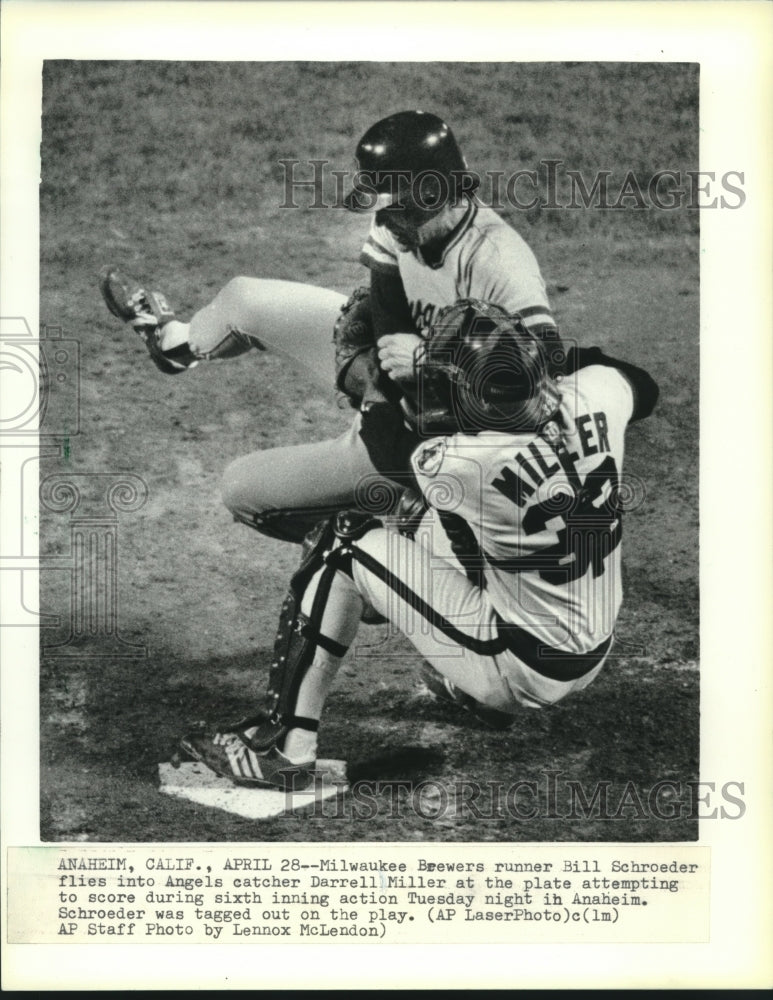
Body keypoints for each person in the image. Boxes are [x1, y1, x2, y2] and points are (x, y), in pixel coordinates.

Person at [180, 299, 659, 791]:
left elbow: (385, 440)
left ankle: (282, 748)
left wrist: (372, 378)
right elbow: (638, 381)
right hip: (591, 642)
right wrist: (520, 360)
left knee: (346, 543)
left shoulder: (463, 462)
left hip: (520, 667)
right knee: (418, 521)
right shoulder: (597, 395)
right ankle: (470, 693)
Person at [99, 110, 561, 544]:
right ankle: (171, 343)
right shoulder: (400, 225)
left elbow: (539, 387)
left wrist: (426, 371)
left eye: (395, 207)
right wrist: (377, 380)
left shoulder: (500, 262)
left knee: (242, 489)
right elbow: (386, 325)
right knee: (244, 299)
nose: (382, 219)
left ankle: (388, 547)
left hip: (431, 451)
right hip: (398, 402)